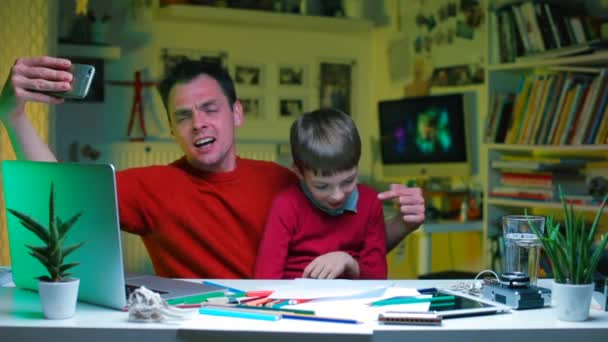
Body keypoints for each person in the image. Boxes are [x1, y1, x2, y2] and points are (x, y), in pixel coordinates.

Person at [0, 56, 426, 279]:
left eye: (209, 109)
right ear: (172, 128)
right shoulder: (151, 187)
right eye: (183, 116)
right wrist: (14, 117)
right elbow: (57, 198)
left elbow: (343, 253)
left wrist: (400, 225)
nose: (198, 123)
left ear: (236, 114)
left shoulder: (284, 181)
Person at [255, 108, 386, 279]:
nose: (337, 195)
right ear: (299, 172)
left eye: (348, 181)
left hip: (352, 301)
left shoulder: (370, 203)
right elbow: (266, 278)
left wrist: (348, 262)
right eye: (322, 186)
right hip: (294, 299)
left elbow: (378, 278)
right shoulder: (287, 205)